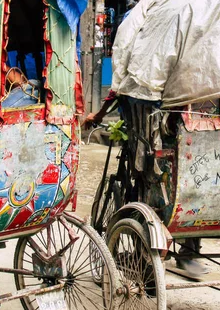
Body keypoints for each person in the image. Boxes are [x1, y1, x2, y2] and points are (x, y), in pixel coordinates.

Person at [83, 91, 209, 277]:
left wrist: (98, 115)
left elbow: (117, 90)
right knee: (188, 183)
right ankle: (188, 251)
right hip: (191, 132)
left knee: (146, 182)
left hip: (156, 137)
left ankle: (145, 251)